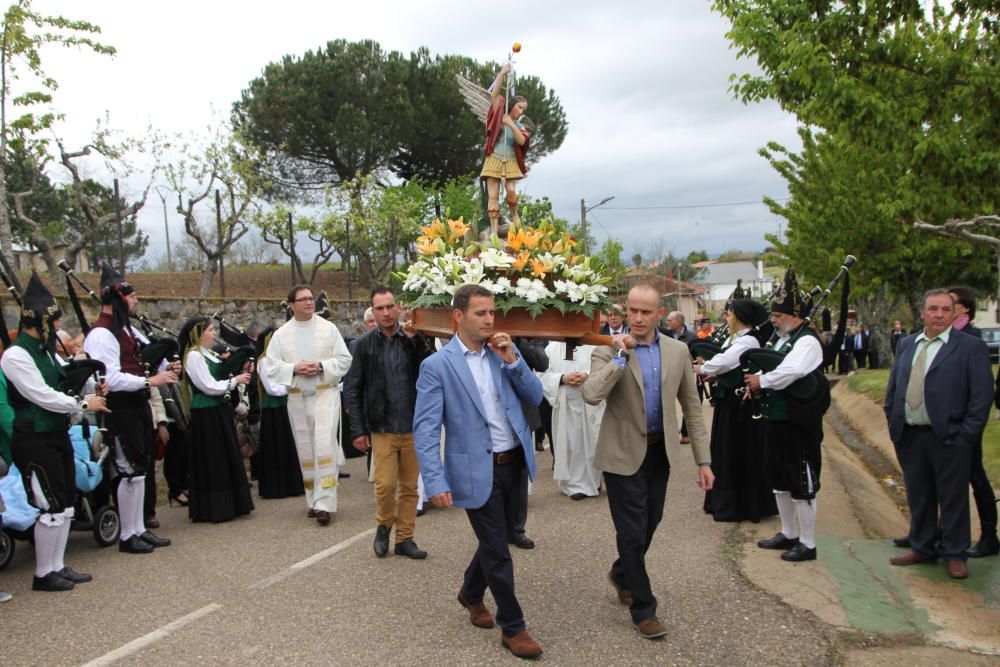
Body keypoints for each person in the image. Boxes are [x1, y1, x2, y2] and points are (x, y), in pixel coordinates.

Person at [413, 284, 544, 659]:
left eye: (492, 313)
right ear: (458, 316)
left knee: (496, 540)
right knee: (498, 550)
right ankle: (514, 627)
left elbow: (535, 398)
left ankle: (470, 593)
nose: (489, 320)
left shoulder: (503, 351)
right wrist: (435, 480)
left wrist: (514, 362)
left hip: (513, 461)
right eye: (480, 313)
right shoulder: (436, 367)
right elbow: (425, 429)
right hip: (475, 469)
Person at [581, 282, 713, 640]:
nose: (638, 318)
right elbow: (591, 394)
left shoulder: (677, 351)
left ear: (658, 314)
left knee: (649, 523)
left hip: (660, 453)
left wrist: (704, 460)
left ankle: (623, 573)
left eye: (646, 312)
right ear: (626, 312)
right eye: (632, 311)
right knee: (631, 531)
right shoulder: (608, 349)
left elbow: (693, 408)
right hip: (621, 453)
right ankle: (644, 608)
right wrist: (621, 357)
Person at [0, 273, 109, 591]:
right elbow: (40, 395)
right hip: (32, 436)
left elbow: (62, 380)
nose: (58, 328)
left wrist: (91, 384)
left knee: (64, 501)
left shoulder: (46, 351)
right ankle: (43, 573)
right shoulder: (16, 355)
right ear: (41, 322)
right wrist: (83, 405)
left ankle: (57, 566)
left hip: (56, 433)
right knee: (48, 504)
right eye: (55, 321)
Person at [885, 289, 993, 578]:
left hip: (950, 437)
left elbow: (981, 398)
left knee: (953, 497)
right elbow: (895, 387)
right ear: (923, 313)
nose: (939, 315)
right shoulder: (908, 344)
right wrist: (894, 421)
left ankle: (955, 553)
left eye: (946, 310)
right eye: (933, 309)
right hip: (910, 435)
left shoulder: (970, 347)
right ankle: (922, 546)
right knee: (919, 494)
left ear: (955, 313)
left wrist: (965, 436)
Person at [83, 263, 175, 554]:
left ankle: (138, 529)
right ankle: (127, 534)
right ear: (118, 299)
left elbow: (145, 357)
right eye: (131, 296)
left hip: (137, 405)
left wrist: (167, 365)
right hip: (119, 409)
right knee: (127, 470)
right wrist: (150, 380)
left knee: (139, 469)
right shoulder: (101, 334)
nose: (135, 301)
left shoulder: (127, 330)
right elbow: (109, 376)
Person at [744, 268, 828, 563]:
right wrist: (754, 381)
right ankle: (789, 533)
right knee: (777, 477)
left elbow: (791, 372)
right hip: (777, 419)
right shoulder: (781, 339)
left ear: (795, 315)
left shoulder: (807, 342)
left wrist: (762, 382)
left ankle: (808, 542)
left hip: (799, 423)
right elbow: (770, 366)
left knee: (800, 481)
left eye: (778, 315)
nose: (774, 319)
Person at [344, 287, 433, 559]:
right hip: (382, 427)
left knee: (410, 487)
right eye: (379, 308)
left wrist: (414, 341)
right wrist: (358, 430)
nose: (385, 313)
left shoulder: (413, 338)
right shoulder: (364, 345)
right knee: (384, 485)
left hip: (412, 425)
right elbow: (353, 388)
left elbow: (429, 368)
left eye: (389, 307)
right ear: (373, 311)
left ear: (398, 308)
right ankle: (384, 525)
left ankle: (405, 538)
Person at [265, 285, 353, 526]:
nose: (308, 303)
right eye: (302, 300)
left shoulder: (328, 329)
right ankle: (313, 500)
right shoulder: (281, 335)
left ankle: (326, 503)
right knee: (306, 450)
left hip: (325, 395)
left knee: (325, 448)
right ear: (291, 305)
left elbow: (344, 359)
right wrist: (294, 368)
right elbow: (270, 367)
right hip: (297, 398)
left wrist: (322, 367)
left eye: (310, 299)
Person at [694, 296, 778, 523]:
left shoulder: (748, 341)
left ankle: (740, 505)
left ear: (740, 319)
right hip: (729, 403)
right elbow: (725, 363)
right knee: (724, 450)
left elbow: (724, 361)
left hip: (740, 406)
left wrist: (702, 368)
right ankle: (723, 500)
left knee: (737, 452)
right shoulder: (737, 338)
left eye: (729, 314)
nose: (726, 318)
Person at [179, 317, 255, 522]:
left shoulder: (208, 354)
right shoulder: (193, 356)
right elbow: (208, 386)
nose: (213, 333)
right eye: (210, 330)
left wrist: (239, 366)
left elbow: (221, 374)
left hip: (218, 411)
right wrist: (235, 381)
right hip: (206, 415)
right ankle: (215, 507)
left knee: (225, 457)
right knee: (214, 459)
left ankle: (232, 504)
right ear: (198, 333)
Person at [946, 286, 998, 558]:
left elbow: (982, 388)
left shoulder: (972, 339)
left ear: (964, 308)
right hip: (945, 422)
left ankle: (989, 536)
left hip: (966, 424)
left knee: (975, 477)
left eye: (951, 303)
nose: (944, 307)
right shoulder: (943, 336)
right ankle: (940, 533)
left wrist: (970, 426)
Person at [541, 341, 604, 500]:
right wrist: (562, 378)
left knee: (591, 444)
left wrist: (587, 375)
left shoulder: (594, 345)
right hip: (565, 405)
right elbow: (541, 374)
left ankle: (593, 481)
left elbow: (604, 368)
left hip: (590, 402)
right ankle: (573, 485)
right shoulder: (552, 347)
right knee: (571, 444)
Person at [255, 326, 305, 499]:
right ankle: (277, 486)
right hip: (274, 410)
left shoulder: (281, 361)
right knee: (277, 446)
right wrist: (293, 384)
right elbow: (273, 389)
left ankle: (293, 483)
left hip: (286, 406)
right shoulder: (264, 361)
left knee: (289, 445)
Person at [481, 63, 531, 231]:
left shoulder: (519, 126)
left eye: (524, 109)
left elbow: (522, 142)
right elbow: (494, 96)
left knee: (510, 190)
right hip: (494, 158)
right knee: (493, 195)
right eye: (520, 107)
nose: (521, 111)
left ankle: (515, 215)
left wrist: (511, 124)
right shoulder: (499, 116)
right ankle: (494, 232)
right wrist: (502, 74)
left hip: (510, 160)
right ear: (513, 105)